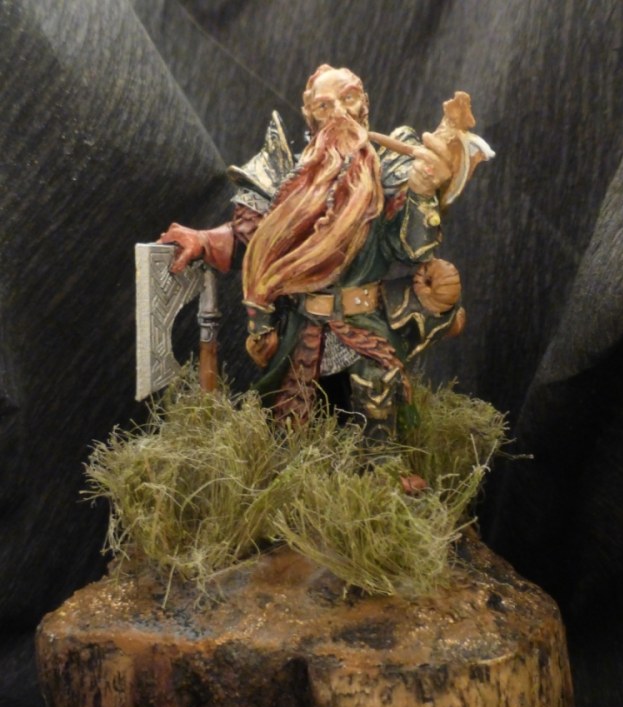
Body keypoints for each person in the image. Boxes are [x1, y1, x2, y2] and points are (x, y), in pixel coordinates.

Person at [160, 64, 468, 442]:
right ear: (309, 116)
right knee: (291, 429)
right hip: (301, 329)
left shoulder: (388, 172)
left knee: (377, 413)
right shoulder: (289, 177)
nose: (338, 112)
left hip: (365, 325)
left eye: (348, 98)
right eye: (324, 106)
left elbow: (412, 248)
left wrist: (421, 192)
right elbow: (255, 240)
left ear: (365, 105)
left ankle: (382, 468)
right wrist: (205, 241)